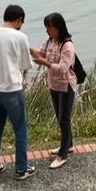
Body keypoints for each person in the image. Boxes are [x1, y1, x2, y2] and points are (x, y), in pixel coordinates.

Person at [0, 4, 36, 180]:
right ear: (19, 19)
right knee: (20, 129)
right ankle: (21, 168)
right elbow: (25, 64)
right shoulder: (20, 36)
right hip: (12, 88)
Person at [31, 12, 77, 169]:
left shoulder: (67, 46)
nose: (47, 31)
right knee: (60, 117)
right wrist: (30, 50)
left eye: (49, 28)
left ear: (58, 28)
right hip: (53, 85)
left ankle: (62, 155)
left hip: (66, 86)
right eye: (46, 28)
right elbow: (42, 53)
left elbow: (63, 68)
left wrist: (45, 63)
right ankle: (68, 144)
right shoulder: (49, 41)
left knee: (64, 119)